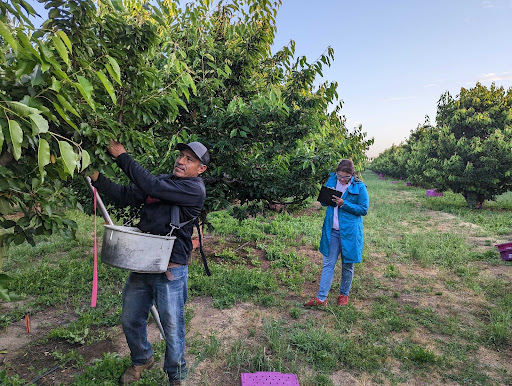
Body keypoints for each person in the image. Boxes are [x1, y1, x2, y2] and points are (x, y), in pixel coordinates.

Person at [90, 140, 209, 385]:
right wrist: (96, 177)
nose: (181, 161)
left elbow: (150, 184)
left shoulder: (194, 189)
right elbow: (125, 194)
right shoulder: (165, 182)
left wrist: (122, 155)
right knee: (130, 318)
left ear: (201, 169)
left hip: (170, 269)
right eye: (181, 155)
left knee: (173, 328)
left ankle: (176, 376)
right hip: (143, 261)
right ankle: (142, 357)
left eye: (189, 159)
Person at [304, 159, 369, 308]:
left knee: (347, 265)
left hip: (350, 233)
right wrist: (326, 198)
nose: (341, 179)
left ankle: (343, 295)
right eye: (339, 175)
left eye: (345, 177)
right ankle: (321, 298)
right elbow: (324, 202)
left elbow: (363, 209)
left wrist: (344, 204)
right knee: (328, 264)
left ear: (351, 175)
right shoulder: (332, 180)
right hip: (332, 231)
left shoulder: (359, 187)